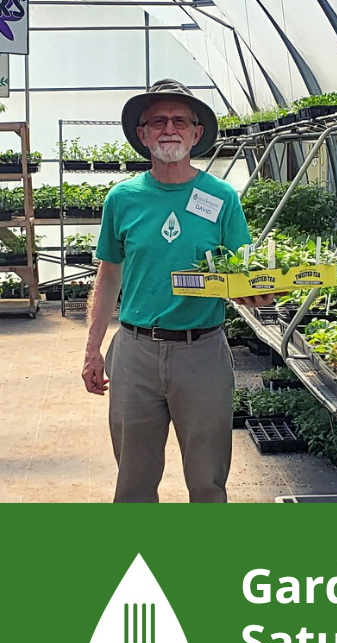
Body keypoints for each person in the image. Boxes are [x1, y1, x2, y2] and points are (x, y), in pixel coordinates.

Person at [81, 79, 274, 503]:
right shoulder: (122, 198)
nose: (169, 128)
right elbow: (108, 274)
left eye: (180, 121)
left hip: (201, 353)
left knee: (207, 482)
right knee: (133, 484)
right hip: (135, 353)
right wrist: (93, 350)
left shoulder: (221, 197)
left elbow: (242, 270)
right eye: (158, 121)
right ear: (142, 134)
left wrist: (257, 293)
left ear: (196, 133)